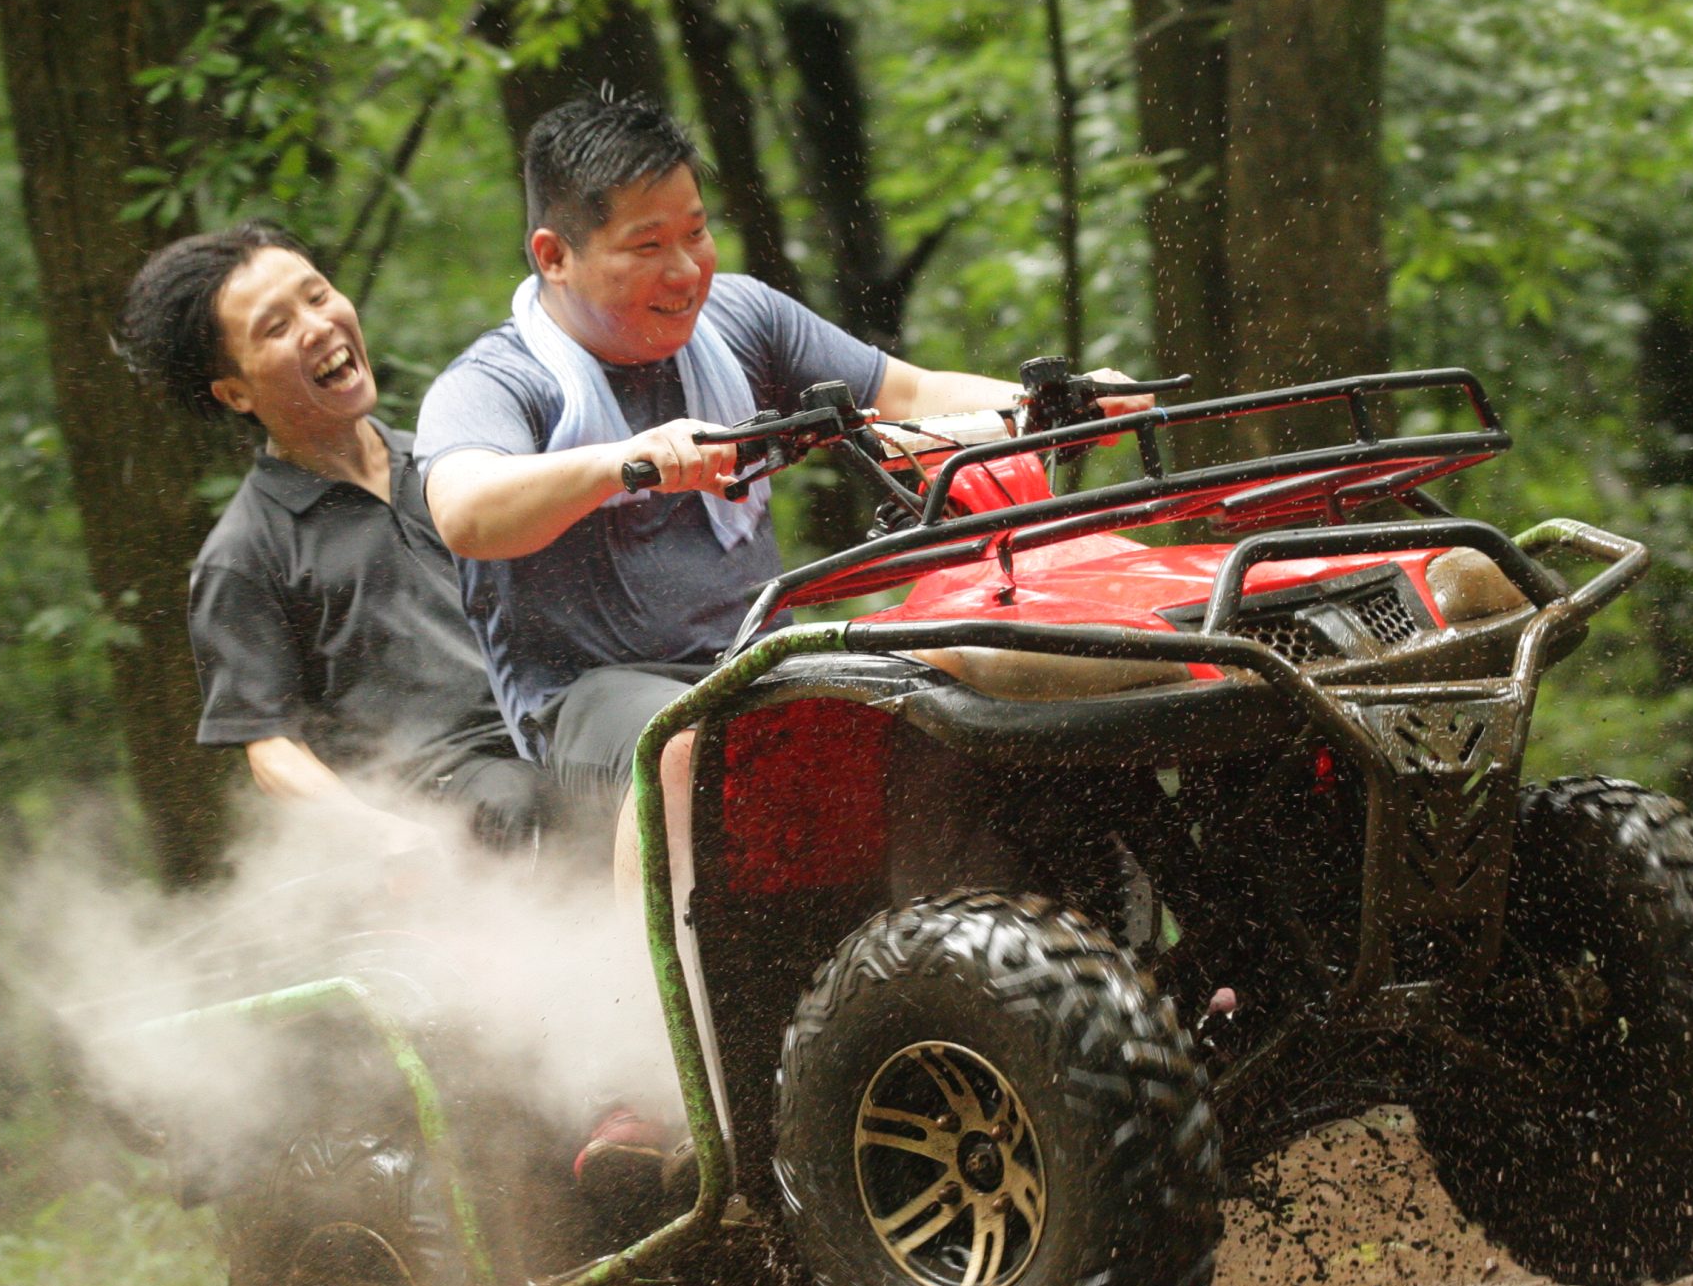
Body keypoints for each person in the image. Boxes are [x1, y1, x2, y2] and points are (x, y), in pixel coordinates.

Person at [414, 94, 1145, 891]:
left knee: (948, 691)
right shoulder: (497, 381)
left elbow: (909, 396)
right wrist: (622, 460)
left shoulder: (743, 319)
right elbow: (466, 511)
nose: (685, 270)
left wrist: (1056, 406)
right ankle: (644, 976)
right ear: (554, 256)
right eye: (648, 244)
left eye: (696, 232)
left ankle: (964, 930)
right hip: (585, 702)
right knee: (689, 746)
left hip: (757, 658)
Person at [117, 221, 550, 855]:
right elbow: (270, 749)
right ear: (235, 392)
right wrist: (377, 833)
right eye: (276, 327)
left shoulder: (456, 464)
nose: (316, 326)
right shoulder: (244, 554)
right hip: (447, 801)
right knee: (524, 796)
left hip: (556, 734)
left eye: (316, 296)